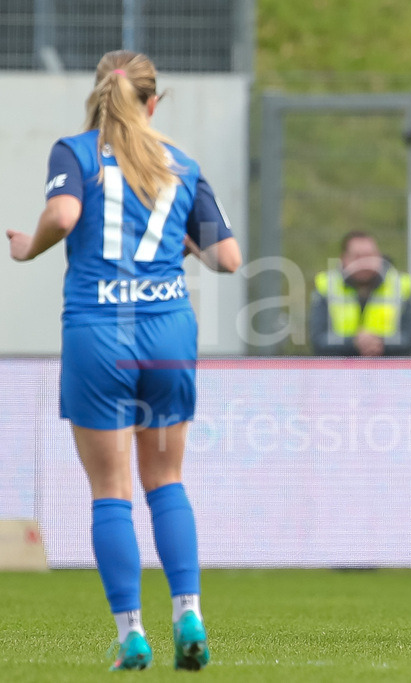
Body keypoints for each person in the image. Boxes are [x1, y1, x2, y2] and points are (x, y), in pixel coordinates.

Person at [7, 50, 240, 671]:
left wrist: (31, 248)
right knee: (166, 482)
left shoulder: (75, 151)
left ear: (99, 95)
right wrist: (184, 245)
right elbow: (230, 259)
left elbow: (63, 214)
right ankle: (188, 613)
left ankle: (131, 632)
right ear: (153, 101)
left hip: (100, 331)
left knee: (110, 491)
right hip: (167, 332)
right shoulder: (182, 164)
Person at [309, 231, 411, 356]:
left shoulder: (401, 286)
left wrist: (379, 342)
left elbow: (410, 340)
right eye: (357, 257)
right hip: (339, 372)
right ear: (343, 259)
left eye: (370, 256)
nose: (365, 263)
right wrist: (354, 343)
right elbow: (319, 341)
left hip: (390, 372)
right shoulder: (326, 287)